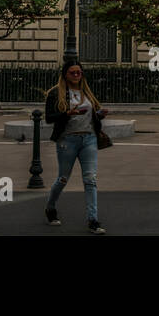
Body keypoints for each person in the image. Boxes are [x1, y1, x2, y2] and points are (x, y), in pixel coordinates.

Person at [43, 62, 110, 232]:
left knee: (90, 179)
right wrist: (67, 114)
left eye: (79, 72)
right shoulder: (55, 93)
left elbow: (91, 116)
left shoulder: (86, 92)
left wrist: (99, 115)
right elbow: (49, 118)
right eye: (72, 73)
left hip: (89, 139)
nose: (76, 75)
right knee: (63, 178)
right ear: (65, 74)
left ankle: (93, 220)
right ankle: (50, 208)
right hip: (67, 140)